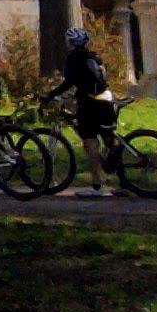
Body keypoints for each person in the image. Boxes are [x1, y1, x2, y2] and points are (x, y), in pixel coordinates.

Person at [43, 26, 119, 197]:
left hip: (90, 102)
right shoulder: (94, 56)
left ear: (70, 42)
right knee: (109, 138)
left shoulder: (73, 58)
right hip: (105, 97)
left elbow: (69, 82)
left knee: (90, 142)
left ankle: (97, 185)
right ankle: (123, 181)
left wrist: (50, 95)